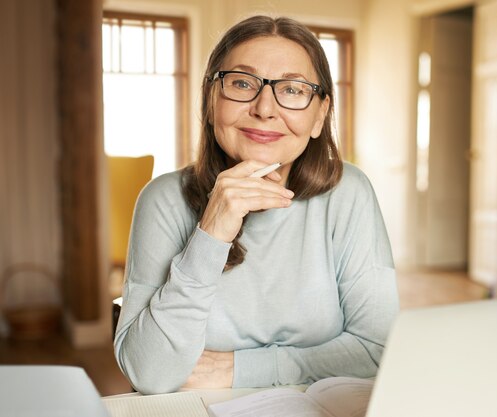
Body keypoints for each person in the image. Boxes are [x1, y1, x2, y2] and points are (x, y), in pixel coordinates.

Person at [113, 14, 399, 394]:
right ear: (212, 101)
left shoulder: (348, 192)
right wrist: (210, 234)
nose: (265, 108)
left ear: (320, 115)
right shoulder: (162, 199)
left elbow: (378, 351)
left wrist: (239, 370)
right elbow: (148, 374)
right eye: (243, 83)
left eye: (293, 90)